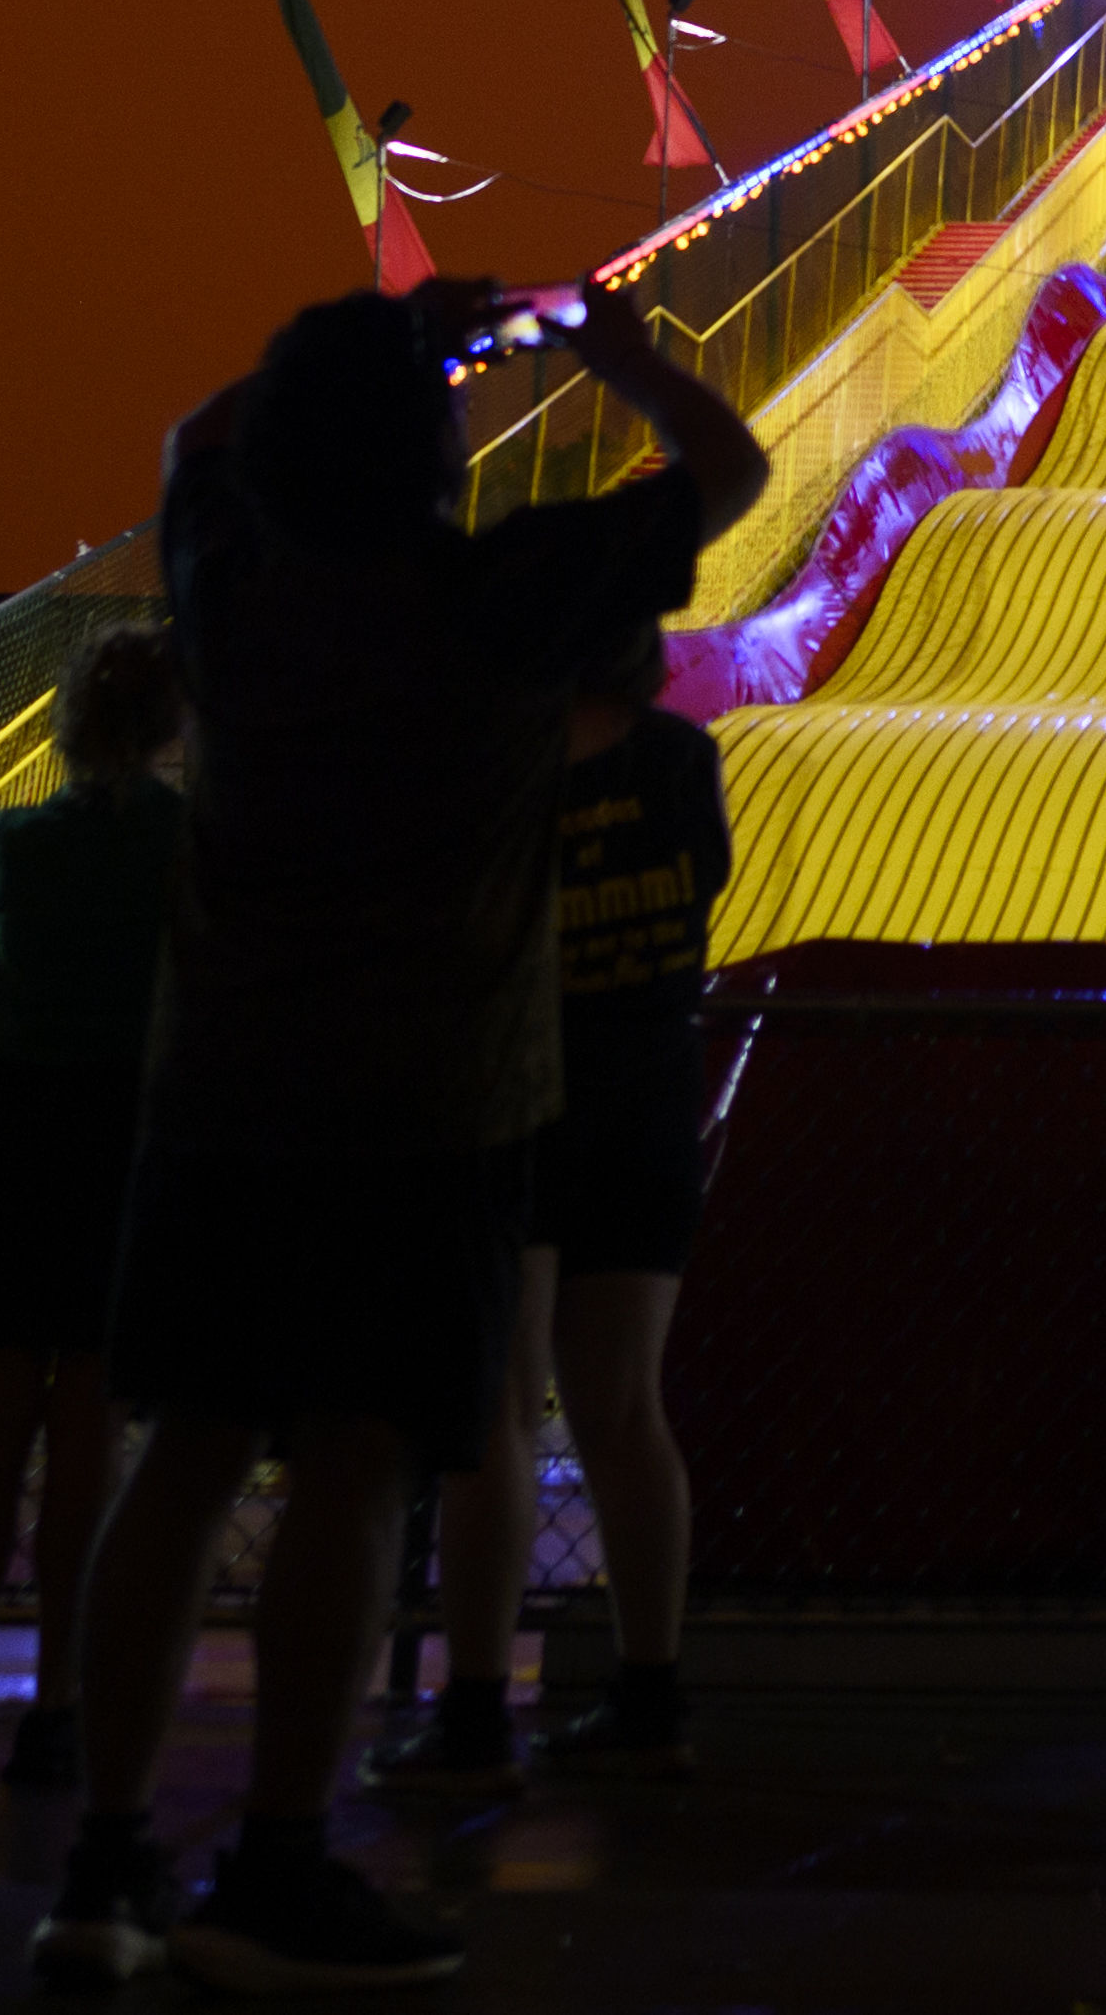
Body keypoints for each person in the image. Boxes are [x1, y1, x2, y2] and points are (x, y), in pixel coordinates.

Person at [35, 281, 760, 1997]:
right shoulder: (504, 599)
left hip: (218, 1090)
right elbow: (720, 472)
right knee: (355, 1469)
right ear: (441, 452)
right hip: (428, 1104)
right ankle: (278, 1859)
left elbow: (190, 444)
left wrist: (363, 335)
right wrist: (613, 351)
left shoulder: (230, 592)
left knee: (189, 1455)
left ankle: (103, 1858)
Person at [396, 623, 728, 1782]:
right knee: (625, 1413)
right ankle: (651, 1690)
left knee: (495, 1415)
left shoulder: (494, 768)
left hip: (515, 1106)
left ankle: (478, 1708)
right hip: (644, 1106)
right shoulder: (684, 763)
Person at [0, 621, 187, 1783]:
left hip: (16, 1131)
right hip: (127, 1138)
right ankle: (60, 1695)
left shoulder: (15, 840)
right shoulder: (194, 847)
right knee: (92, 1429)